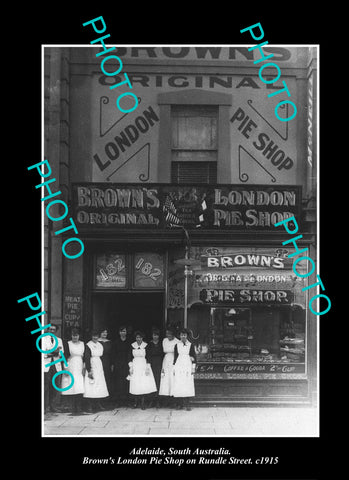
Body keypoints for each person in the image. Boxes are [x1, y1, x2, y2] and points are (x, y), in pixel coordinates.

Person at [128, 331, 157, 410]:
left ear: (142, 338)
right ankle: (135, 402)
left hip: (143, 365)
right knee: (135, 384)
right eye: (137, 337)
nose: (139, 339)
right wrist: (131, 367)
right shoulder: (132, 345)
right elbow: (129, 357)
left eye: (140, 337)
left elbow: (149, 357)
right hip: (135, 365)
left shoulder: (146, 346)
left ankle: (143, 402)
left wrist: (147, 367)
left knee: (143, 384)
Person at [83, 330, 109, 412]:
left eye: (96, 336)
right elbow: (87, 358)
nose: (95, 338)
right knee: (91, 384)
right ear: (91, 337)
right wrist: (89, 370)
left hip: (99, 365)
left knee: (99, 384)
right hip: (92, 364)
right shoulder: (88, 345)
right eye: (94, 336)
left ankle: (98, 403)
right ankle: (89, 405)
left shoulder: (100, 345)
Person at [61, 328, 85, 414]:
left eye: (76, 335)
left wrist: (84, 367)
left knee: (79, 385)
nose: (75, 337)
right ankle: (71, 407)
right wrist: (65, 367)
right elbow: (64, 356)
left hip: (79, 365)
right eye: (73, 335)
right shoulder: (68, 344)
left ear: (79, 336)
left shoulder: (82, 344)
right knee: (71, 384)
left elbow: (84, 356)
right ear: (71, 336)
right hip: (70, 364)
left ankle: (79, 406)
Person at [172, 328, 197, 411]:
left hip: (187, 366)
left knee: (187, 384)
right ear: (179, 336)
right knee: (179, 384)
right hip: (179, 366)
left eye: (185, 335)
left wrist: (193, 368)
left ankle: (187, 404)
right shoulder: (177, 345)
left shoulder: (191, 345)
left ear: (187, 336)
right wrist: (174, 368)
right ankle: (179, 404)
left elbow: (194, 358)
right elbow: (175, 358)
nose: (183, 336)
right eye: (182, 335)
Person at [43, 324, 64, 414]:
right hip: (47, 365)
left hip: (56, 365)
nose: (52, 331)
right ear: (48, 330)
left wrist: (55, 352)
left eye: (54, 330)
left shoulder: (59, 340)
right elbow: (43, 352)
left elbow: (61, 353)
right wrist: (52, 352)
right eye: (50, 329)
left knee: (54, 386)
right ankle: (44, 407)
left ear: (56, 331)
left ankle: (53, 406)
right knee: (45, 387)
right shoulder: (43, 339)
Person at [159, 327, 180, 406]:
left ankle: (173, 400)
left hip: (173, 360)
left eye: (170, 333)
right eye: (167, 333)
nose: (168, 335)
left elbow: (177, 352)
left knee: (172, 378)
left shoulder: (177, 341)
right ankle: (166, 399)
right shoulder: (164, 340)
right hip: (166, 360)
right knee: (165, 378)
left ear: (173, 333)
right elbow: (164, 350)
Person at [111, 325, 130, 407]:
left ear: (126, 332)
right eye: (122, 331)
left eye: (124, 331)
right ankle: (118, 401)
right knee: (118, 382)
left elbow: (130, 353)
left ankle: (126, 400)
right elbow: (113, 354)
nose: (123, 333)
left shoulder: (129, 342)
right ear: (119, 333)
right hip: (118, 363)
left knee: (126, 381)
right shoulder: (115, 342)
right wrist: (113, 364)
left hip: (126, 363)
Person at [145, 328, 164, 408]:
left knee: (159, 381)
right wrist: (148, 365)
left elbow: (163, 354)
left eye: (156, 335)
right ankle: (151, 400)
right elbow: (147, 355)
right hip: (152, 363)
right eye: (154, 335)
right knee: (151, 382)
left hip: (159, 363)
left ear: (159, 336)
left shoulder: (161, 343)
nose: (155, 337)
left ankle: (158, 401)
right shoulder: (149, 344)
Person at [98, 327, 113, 407]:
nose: (104, 334)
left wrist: (112, 364)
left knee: (107, 379)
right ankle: (99, 400)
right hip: (99, 361)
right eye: (103, 332)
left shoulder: (109, 342)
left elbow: (112, 354)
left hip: (107, 362)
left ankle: (107, 400)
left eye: (106, 332)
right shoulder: (97, 342)